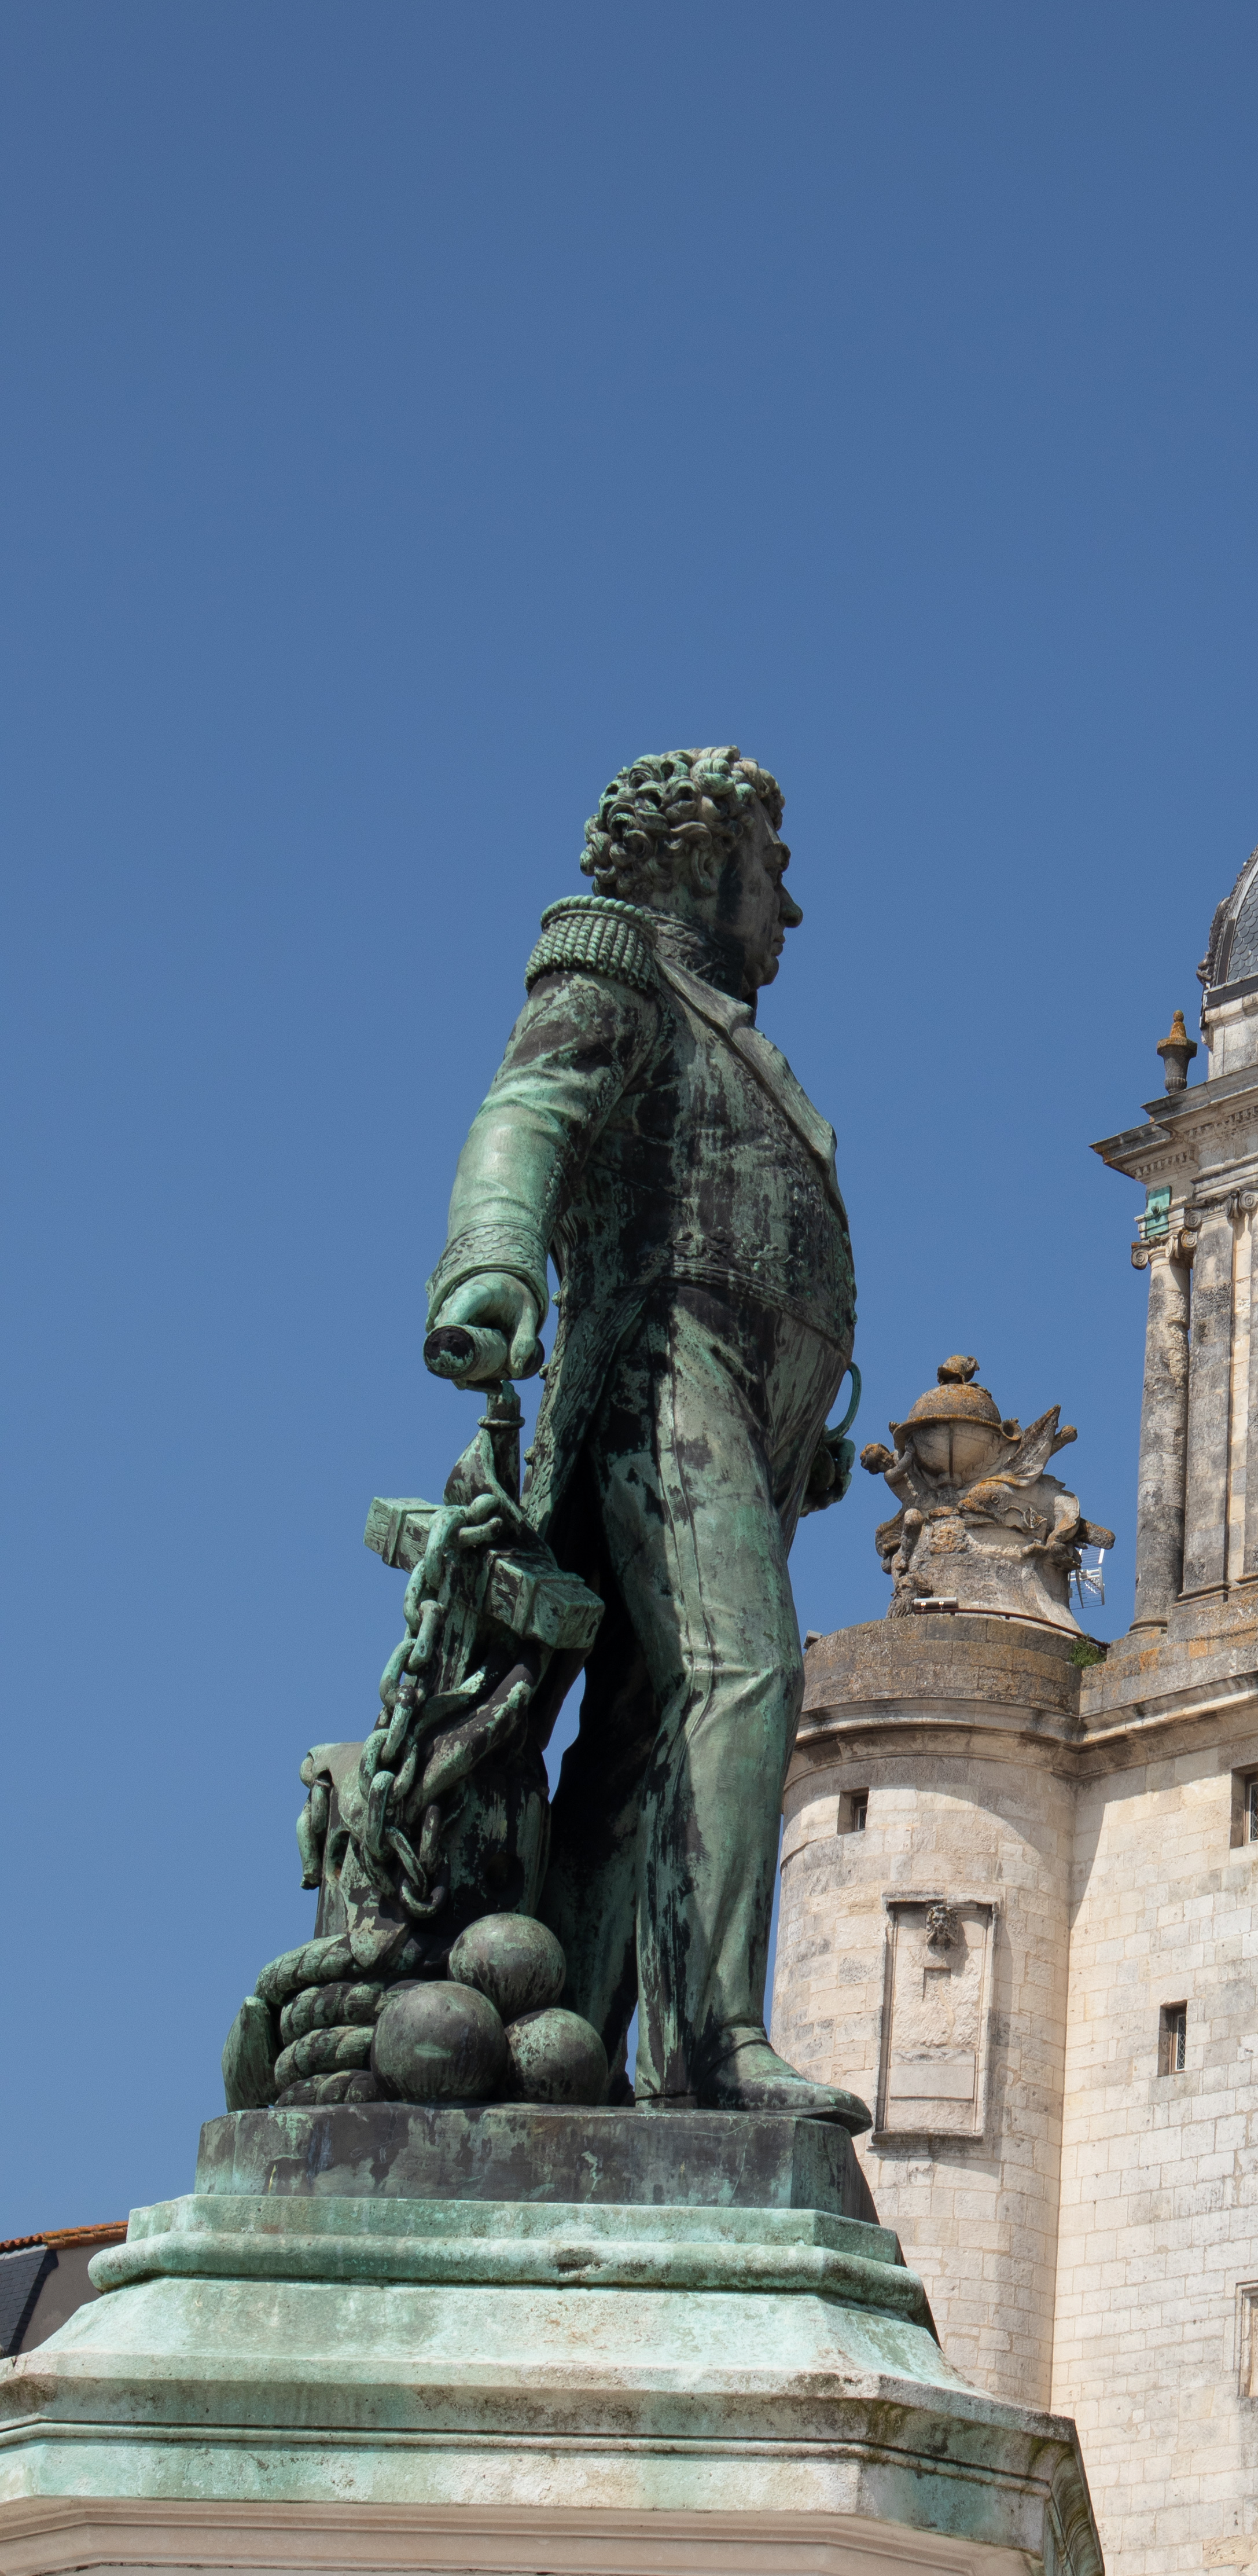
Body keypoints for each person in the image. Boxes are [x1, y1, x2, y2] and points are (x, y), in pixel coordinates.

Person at [426, 748, 858, 2108]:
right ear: (700, 859)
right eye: (773, 870)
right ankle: (715, 2045)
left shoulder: (726, 1030)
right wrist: (492, 1260)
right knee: (746, 1675)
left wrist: (801, 1429)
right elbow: (525, 1116)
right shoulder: (616, 973)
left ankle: (577, 2053)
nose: (789, 908)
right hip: (660, 1378)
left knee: (635, 1745)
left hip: (736, 1417)